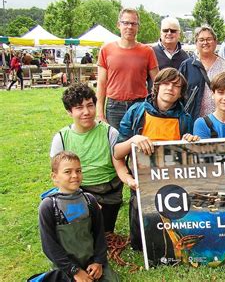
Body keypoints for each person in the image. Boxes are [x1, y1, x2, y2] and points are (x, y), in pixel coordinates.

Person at [114, 67, 196, 251]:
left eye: (176, 86)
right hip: (141, 186)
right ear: (156, 86)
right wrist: (133, 140)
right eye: (166, 83)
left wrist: (190, 144)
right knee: (140, 245)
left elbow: (190, 160)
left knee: (169, 240)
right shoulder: (137, 112)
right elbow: (117, 153)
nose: (170, 88)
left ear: (181, 93)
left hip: (172, 187)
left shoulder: (185, 119)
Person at [50, 84, 134, 235]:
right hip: (78, 191)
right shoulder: (61, 138)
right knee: (82, 236)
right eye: (79, 108)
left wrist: (129, 181)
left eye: (90, 105)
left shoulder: (110, 133)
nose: (86, 112)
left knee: (104, 235)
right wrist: (80, 198)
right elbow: (58, 176)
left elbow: (119, 165)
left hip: (109, 193)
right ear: (69, 112)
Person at [38, 151, 119, 281]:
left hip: (92, 264)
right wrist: (74, 271)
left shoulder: (89, 200)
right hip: (65, 268)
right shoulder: (48, 206)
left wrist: (98, 261)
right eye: (67, 172)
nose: (75, 175)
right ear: (54, 177)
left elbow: (99, 234)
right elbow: (49, 246)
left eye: (79, 170)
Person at [96, 8, 159, 130]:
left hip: (139, 105)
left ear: (138, 27)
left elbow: (158, 81)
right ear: (118, 25)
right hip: (114, 107)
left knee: (139, 144)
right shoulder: (106, 50)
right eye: (126, 23)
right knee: (115, 143)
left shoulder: (147, 51)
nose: (129, 27)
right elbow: (101, 83)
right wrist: (99, 113)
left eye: (133, 23)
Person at [179, 25, 225, 121]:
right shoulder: (187, 65)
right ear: (196, 43)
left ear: (215, 42)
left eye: (209, 39)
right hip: (193, 119)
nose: (205, 42)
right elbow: (179, 92)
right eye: (201, 40)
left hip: (220, 120)